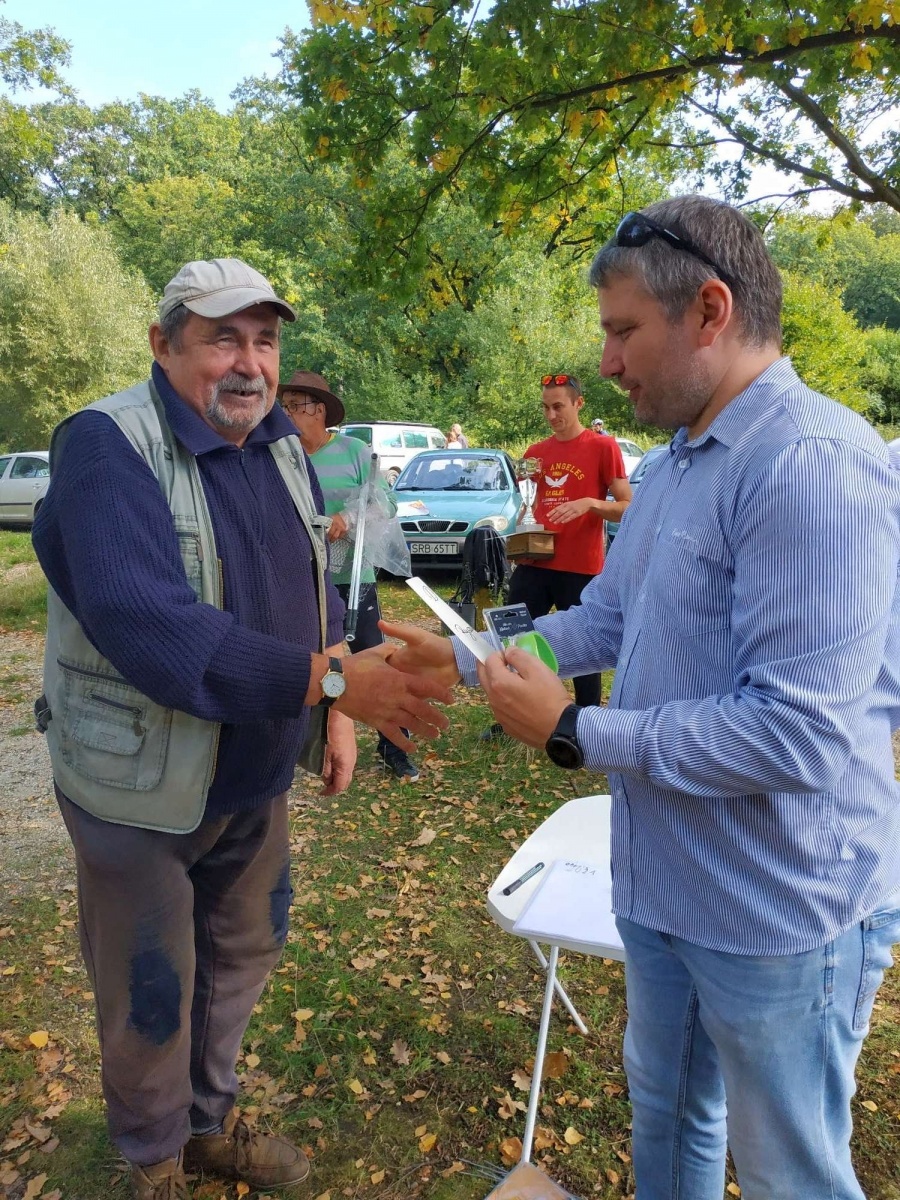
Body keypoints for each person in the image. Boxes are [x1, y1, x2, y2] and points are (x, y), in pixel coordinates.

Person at [380, 197, 900, 1200]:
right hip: (665, 885)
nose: (608, 363)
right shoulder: (670, 471)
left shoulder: (811, 468)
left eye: (623, 332)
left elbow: (798, 734)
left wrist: (577, 729)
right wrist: (472, 654)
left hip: (780, 910)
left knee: (791, 1171)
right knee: (668, 1119)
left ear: (709, 311)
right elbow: (609, 621)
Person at [31, 258, 453, 1200]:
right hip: (139, 786)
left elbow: (309, 582)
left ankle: (207, 1126)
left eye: (264, 340)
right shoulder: (105, 447)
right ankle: (153, 1163)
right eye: (223, 337)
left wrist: (334, 704)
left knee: (241, 955)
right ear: (162, 344)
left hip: (252, 776)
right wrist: (335, 678)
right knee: (151, 986)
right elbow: (152, 629)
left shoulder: (277, 442)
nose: (250, 364)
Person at [279, 368, 420, 780]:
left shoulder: (356, 453)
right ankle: (311, 747)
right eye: (282, 406)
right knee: (311, 664)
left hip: (352, 578)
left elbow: (386, 504)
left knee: (374, 661)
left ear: (319, 410)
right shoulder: (281, 457)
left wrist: (348, 517)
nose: (286, 415)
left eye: (295, 406)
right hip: (299, 579)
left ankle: (395, 746)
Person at [506, 373, 630, 709]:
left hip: (579, 566)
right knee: (513, 638)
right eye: (545, 407)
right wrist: (522, 525)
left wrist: (590, 504)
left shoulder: (602, 446)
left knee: (583, 647)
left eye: (558, 406)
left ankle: (585, 721)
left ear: (578, 404)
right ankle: (513, 713)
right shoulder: (535, 452)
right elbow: (528, 503)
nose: (550, 415)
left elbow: (628, 507)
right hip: (535, 562)